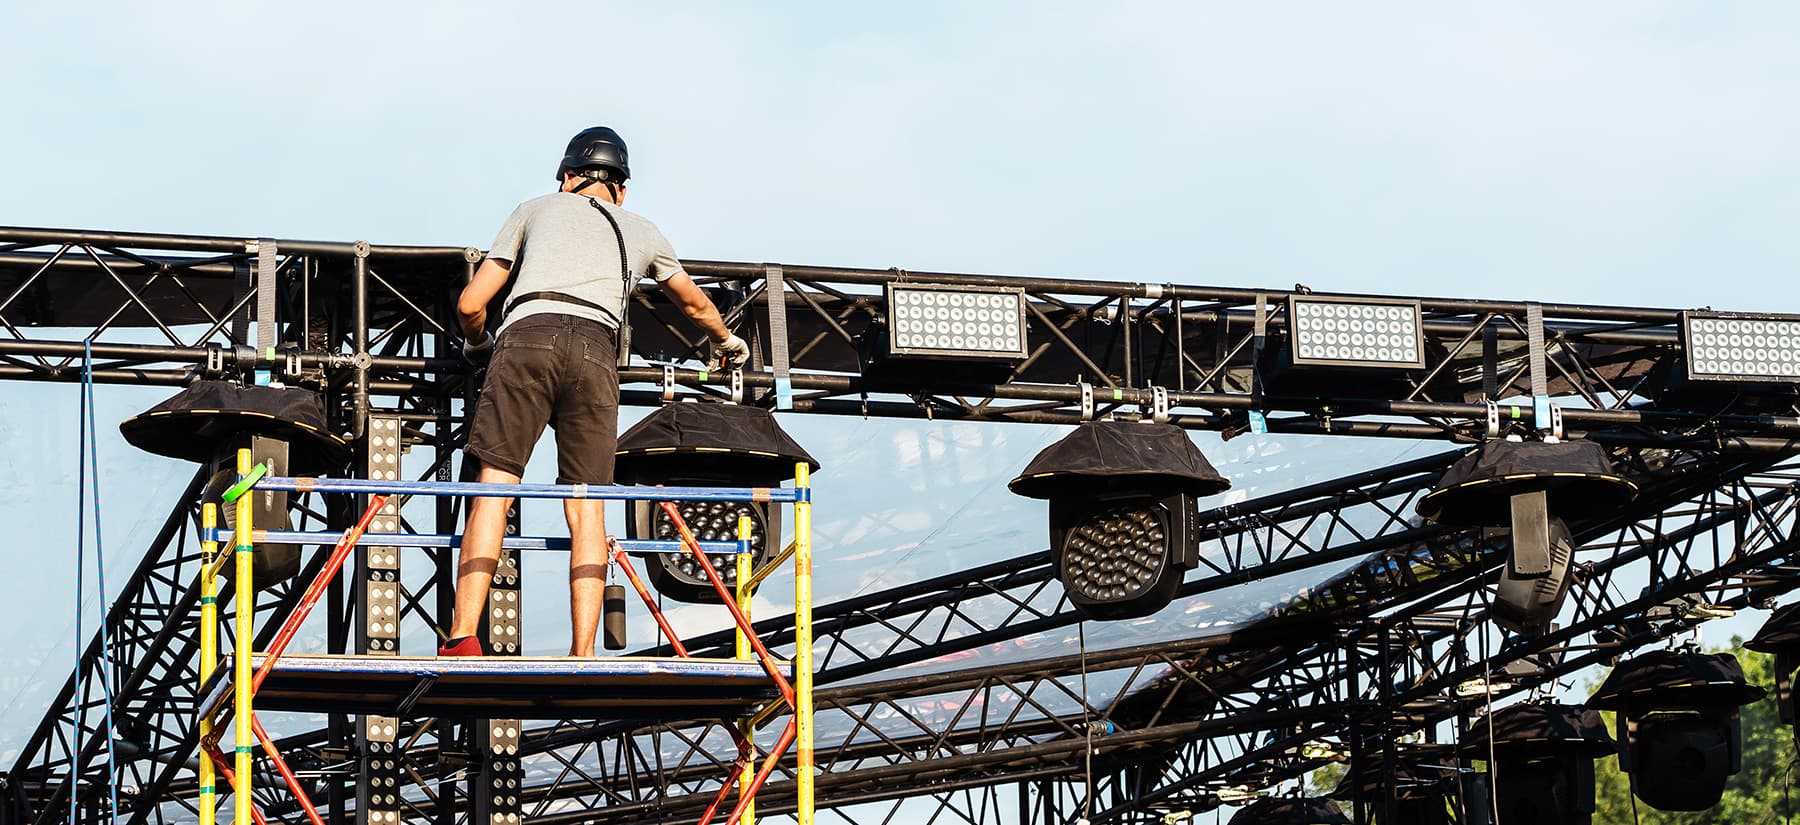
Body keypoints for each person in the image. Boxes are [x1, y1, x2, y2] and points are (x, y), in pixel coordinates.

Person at [440, 126, 749, 657]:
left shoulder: (534, 209)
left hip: (527, 337)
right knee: (588, 504)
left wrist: (478, 346)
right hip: (597, 350)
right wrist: (728, 342)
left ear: (567, 178)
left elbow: (472, 304)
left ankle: (463, 636)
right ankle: (582, 651)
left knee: (495, 486)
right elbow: (695, 305)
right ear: (622, 189)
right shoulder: (644, 230)